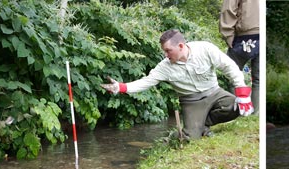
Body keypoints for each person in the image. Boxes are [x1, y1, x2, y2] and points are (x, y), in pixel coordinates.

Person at [100, 29, 254, 139]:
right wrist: (121, 87)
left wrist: (241, 92)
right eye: (164, 52)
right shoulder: (164, 66)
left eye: (168, 51)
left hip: (214, 92)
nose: (165, 55)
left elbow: (229, 66)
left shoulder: (205, 49)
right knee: (190, 138)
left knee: (237, 106)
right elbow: (146, 82)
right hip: (191, 101)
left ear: (181, 46)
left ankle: (202, 124)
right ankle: (187, 131)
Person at [219, 0, 259, 112]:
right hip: (259, 34)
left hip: (244, 35)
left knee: (231, 74)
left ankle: (235, 112)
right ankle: (255, 113)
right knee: (258, 80)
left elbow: (228, 10)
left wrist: (228, 36)